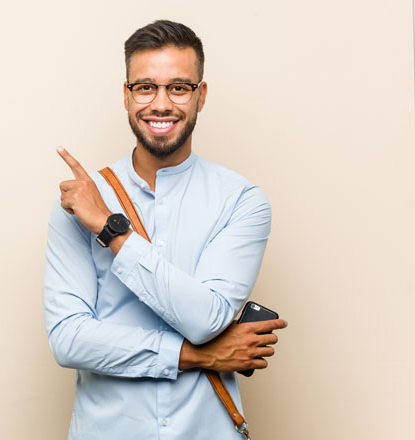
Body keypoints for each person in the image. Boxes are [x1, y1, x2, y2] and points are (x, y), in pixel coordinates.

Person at [43, 20, 288, 439]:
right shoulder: (79, 201)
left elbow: (207, 318)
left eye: (178, 87)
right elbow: (69, 340)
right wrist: (198, 356)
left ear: (201, 96)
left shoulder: (241, 201)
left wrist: (110, 227)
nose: (161, 104)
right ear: (126, 95)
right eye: (145, 87)